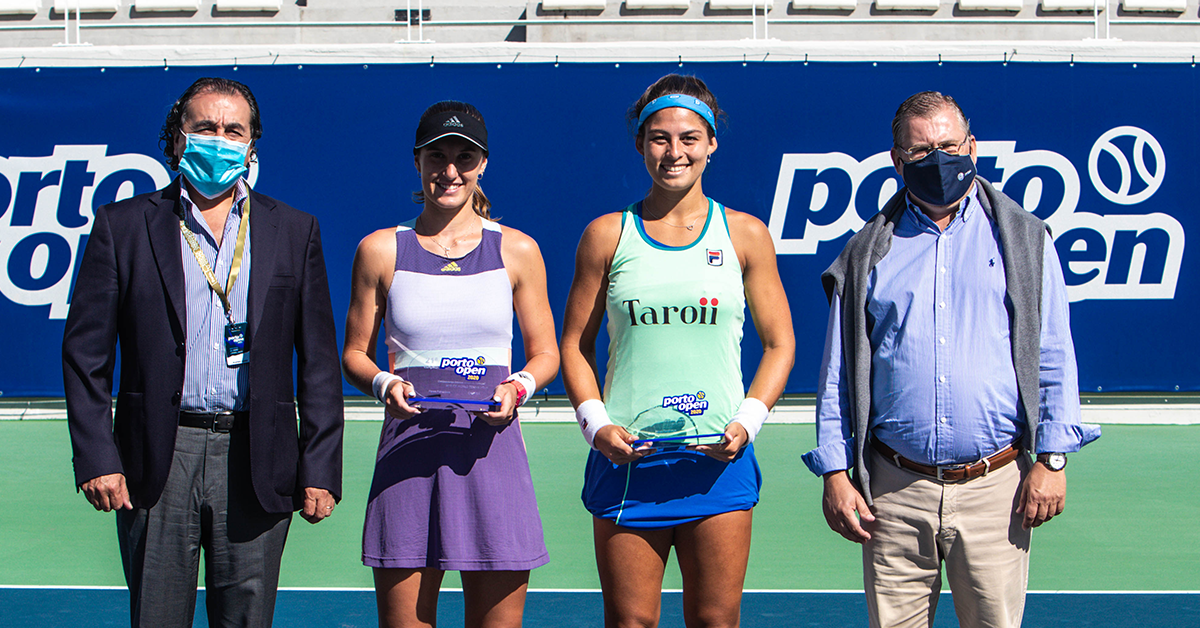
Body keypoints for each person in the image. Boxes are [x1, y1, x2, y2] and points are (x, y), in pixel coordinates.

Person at [802, 91, 1101, 628]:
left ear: (972, 147)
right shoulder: (867, 250)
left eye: (948, 145)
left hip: (997, 489)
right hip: (893, 491)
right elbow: (838, 374)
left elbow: (1054, 353)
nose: (937, 159)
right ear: (897, 161)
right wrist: (835, 472)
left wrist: (1053, 461)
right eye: (920, 152)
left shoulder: (1025, 239)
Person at [62, 77, 344, 627]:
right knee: (157, 617)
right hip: (159, 457)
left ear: (252, 145)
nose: (219, 139)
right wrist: (98, 457)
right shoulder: (123, 226)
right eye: (205, 128)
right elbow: (85, 356)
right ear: (177, 140)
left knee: (245, 619)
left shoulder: (293, 229)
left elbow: (318, 362)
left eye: (233, 130)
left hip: (258, 456)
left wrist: (321, 465)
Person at [560, 74, 795, 628]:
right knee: (630, 623)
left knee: (715, 621)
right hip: (628, 465)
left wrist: (748, 423)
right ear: (641, 144)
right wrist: (596, 426)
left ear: (711, 143)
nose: (674, 152)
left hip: (719, 466)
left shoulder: (745, 235)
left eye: (689, 138)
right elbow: (573, 345)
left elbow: (781, 344)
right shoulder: (606, 235)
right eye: (659, 138)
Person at [342, 100, 559, 628]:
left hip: (491, 451)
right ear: (417, 161)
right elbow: (352, 354)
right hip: (407, 453)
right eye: (437, 156)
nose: (450, 170)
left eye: (465, 157)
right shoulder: (379, 250)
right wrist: (384, 383)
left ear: (482, 164)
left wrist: (521, 388)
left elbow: (547, 352)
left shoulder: (518, 250)